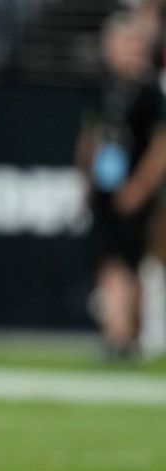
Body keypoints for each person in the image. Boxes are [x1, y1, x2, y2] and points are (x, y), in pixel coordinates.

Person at [75, 10, 166, 358]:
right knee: (108, 261)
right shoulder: (102, 90)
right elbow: (89, 138)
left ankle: (127, 334)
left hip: (135, 189)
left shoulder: (149, 92)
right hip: (105, 186)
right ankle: (118, 334)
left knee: (131, 262)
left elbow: (160, 146)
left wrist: (140, 187)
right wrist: (84, 179)